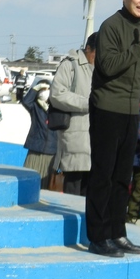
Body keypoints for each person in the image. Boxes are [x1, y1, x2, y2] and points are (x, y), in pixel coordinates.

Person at [86, 0, 140, 258]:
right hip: (106, 108)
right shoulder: (111, 26)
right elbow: (109, 66)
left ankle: (118, 232)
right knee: (103, 175)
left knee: (122, 177)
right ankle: (98, 236)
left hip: (130, 112)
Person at [48, 32, 97, 196]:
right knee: (73, 190)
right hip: (75, 139)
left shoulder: (102, 68)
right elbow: (57, 94)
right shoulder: (70, 65)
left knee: (89, 194)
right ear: (88, 48)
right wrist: (88, 104)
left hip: (95, 140)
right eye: (97, 53)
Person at [22, 80, 57, 189]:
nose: (45, 92)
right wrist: (35, 88)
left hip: (51, 151)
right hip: (35, 148)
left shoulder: (56, 108)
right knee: (29, 177)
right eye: (42, 90)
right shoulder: (35, 107)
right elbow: (26, 101)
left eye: (47, 90)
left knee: (45, 181)